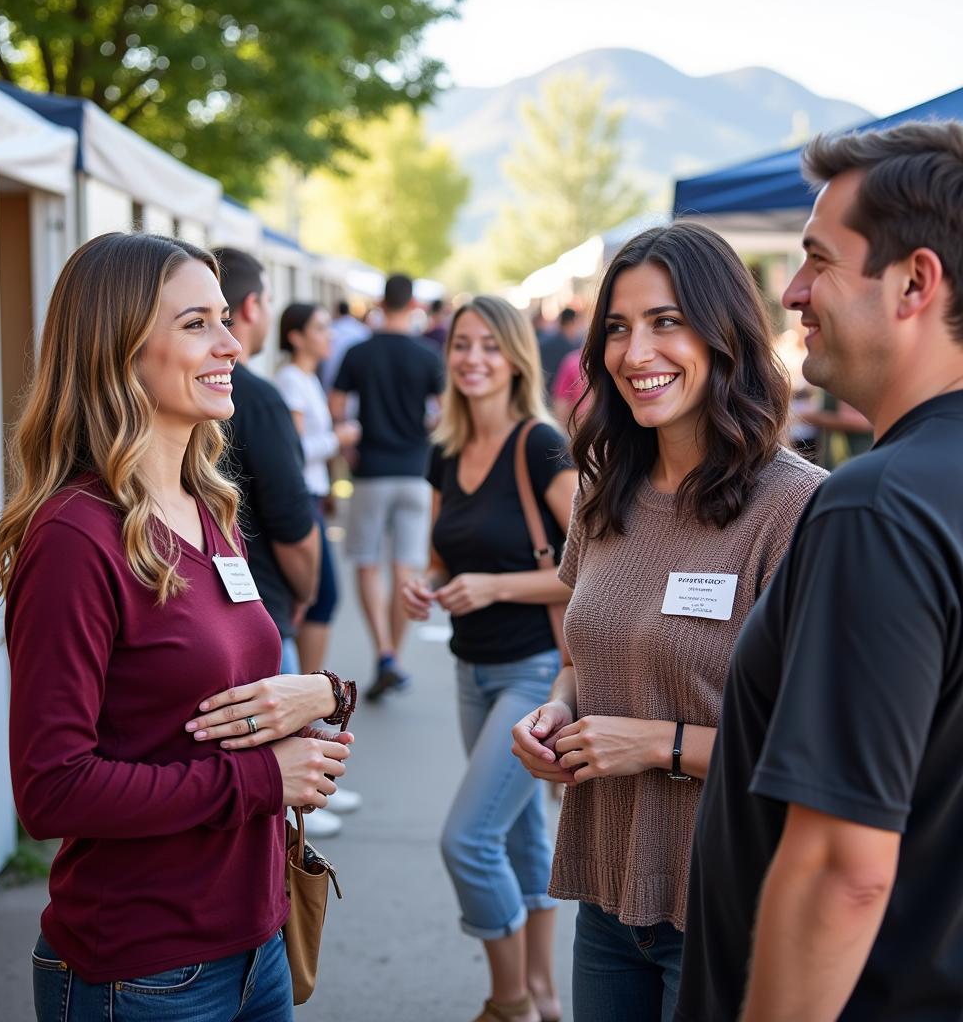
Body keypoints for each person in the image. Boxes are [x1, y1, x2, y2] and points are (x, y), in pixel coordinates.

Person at [0, 232, 354, 1021]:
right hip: (145, 970)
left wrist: (321, 696)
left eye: (226, 318)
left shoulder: (206, 503)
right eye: (197, 324)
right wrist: (265, 777)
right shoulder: (74, 537)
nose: (230, 343)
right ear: (119, 349)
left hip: (260, 940)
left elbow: (216, 700)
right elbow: (51, 790)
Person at [677, 122, 963, 1022]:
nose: (794, 293)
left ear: (915, 282)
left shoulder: (877, 508)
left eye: (818, 260)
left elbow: (843, 868)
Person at [510, 222, 826, 1022]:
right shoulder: (604, 488)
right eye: (617, 328)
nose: (635, 352)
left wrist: (656, 746)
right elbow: (584, 659)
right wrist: (560, 712)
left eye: (666, 321)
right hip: (606, 894)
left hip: (728, 906)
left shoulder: (796, 508)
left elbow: (818, 749)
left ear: (724, 334)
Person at [403, 295, 576, 1022]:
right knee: (520, 830)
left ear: (515, 358)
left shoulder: (540, 444)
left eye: (489, 346)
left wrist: (497, 584)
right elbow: (448, 553)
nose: (472, 359)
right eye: (462, 345)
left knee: (469, 838)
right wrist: (430, 584)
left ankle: (508, 1003)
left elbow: (597, 563)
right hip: (470, 670)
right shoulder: (443, 451)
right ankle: (541, 991)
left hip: (537, 669)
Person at [331, 273, 443, 700]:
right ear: (413, 303)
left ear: (381, 302)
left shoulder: (359, 352)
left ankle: (382, 651)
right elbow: (443, 414)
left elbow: (337, 407)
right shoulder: (427, 354)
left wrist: (349, 447)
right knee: (406, 568)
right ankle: (395, 654)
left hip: (371, 470)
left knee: (367, 562)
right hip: (416, 472)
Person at [214, 247, 319, 676]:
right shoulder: (257, 399)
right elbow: (294, 527)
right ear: (253, 306)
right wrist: (305, 590)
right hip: (259, 620)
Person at [274, 302, 361, 673]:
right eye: (321, 328)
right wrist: (337, 437)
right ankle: (306, 689)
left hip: (315, 493)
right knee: (320, 596)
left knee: (318, 596)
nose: (330, 336)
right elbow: (292, 450)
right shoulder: (291, 380)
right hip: (303, 497)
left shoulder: (307, 378)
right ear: (296, 337)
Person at [319, 298, 370, 394]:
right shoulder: (362, 330)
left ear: (337, 311)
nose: (330, 337)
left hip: (330, 383)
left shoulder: (332, 327)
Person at [538, 307, 583, 387]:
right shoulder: (571, 348)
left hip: (546, 389)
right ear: (571, 323)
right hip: (559, 393)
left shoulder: (545, 343)